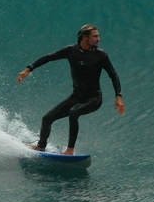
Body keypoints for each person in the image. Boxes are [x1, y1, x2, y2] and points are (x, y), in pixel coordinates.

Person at [17, 24, 125, 154]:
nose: (98, 39)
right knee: (47, 118)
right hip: (76, 96)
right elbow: (48, 57)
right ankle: (41, 146)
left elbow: (113, 75)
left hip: (94, 99)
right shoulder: (70, 51)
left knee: (74, 112)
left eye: (98, 36)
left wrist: (118, 96)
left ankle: (69, 150)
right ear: (85, 37)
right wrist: (29, 69)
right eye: (95, 36)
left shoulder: (100, 55)